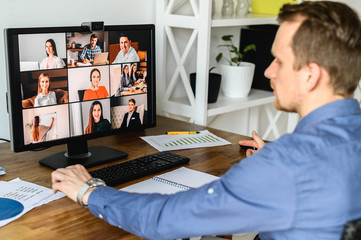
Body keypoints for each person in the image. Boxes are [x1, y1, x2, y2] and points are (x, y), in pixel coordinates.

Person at [51, 1, 361, 239]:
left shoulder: (288, 165)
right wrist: (275, 162)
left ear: (311, 75)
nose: (269, 72)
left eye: (279, 61)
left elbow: (164, 219)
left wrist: (88, 190)